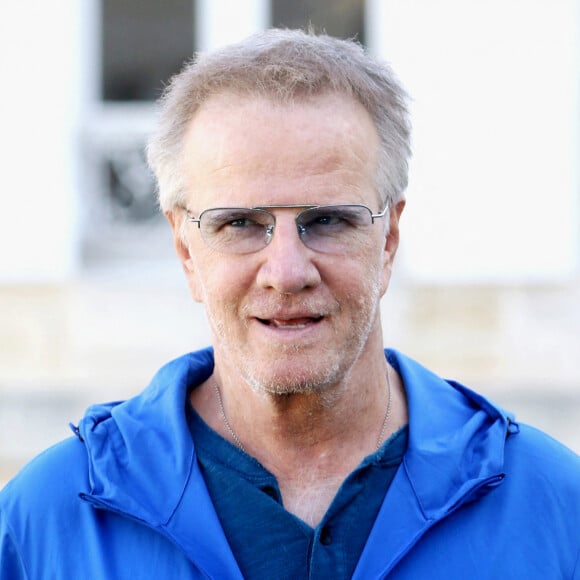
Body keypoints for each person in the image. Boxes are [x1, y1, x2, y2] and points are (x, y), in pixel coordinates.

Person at [1, 28, 579, 579]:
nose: (286, 273)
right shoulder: (48, 520)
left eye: (327, 220)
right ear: (185, 249)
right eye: (240, 224)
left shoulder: (551, 506)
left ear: (389, 239)